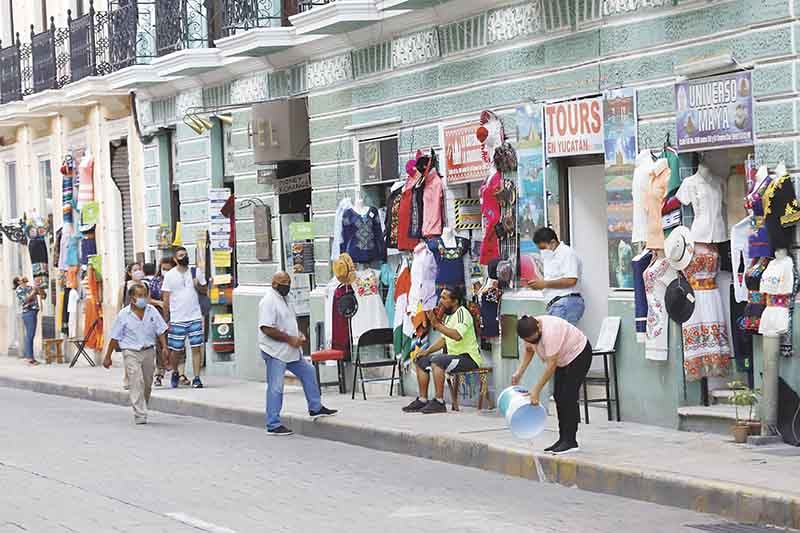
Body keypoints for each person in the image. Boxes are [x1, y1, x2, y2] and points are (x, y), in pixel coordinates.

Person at [259, 272, 337, 436]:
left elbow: (288, 321)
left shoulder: (286, 298)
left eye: (288, 282)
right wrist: (289, 339)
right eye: (283, 282)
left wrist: (298, 334)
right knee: (276, 387)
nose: (287, 285)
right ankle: (273, 423)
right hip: (275, 351)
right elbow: (266, 328)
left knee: (308, 372)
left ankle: (315, 407)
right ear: (274, 283)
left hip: (290, 349)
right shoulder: (268, 300)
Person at [512, 315, 592, 455]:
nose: (533, 342)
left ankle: (571, 441)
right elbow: (529, 351)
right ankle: (563, 439)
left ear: (539, 326)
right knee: (559, 395)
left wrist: (536, 390)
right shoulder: (528, 331)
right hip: (563, 358)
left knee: (568, 396)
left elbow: (551, 366)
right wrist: (519, 372)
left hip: (579, 354)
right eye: (529, 340)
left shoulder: (551, 332)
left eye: (535, 338)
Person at [402, 287, 483, 414]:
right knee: (420, 360)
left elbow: (456, 335)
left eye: (444, 298)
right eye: (441, 297)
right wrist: (426, 351)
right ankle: (423, 400)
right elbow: (443, 340)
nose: (441, 300)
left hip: (468, 359)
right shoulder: (448, 317)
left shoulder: (463, 313)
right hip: (453, 357)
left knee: (438, 361)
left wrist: (437, 325)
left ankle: (439, 401)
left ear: (454, 301)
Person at [103, 283, 169, 425]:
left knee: (147, 383)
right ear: (132, 298)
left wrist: (164, 347)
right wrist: (108, 356)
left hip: (148, 350)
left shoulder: (152, 311)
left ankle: (142, 404)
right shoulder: (123, 315)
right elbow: (115, 337)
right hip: (131, 351)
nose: (143, 299)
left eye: (145, 295)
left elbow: (161, 330)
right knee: (136, 381)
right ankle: (140, 413)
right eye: (140, 296)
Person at [162, 247, 206, 389]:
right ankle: (175, 371)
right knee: (176, 350)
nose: (184, 257)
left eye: (185, 254)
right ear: (175, 259)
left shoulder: (196, 272)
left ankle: (197, 378)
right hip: (177, 318)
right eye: (181, 255)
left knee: (196, 348)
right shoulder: (170, 275)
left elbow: (205, 290)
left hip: (195, 316)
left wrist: (197, 284)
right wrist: (166, 318)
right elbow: (166, 299)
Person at [526, 227, 585, 325]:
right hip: (558, 304)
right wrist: (537, 284)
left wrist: (544, 284)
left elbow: (571, 280)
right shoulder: (551, 256)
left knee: (556, 338)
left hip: (565, 303)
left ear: (553, 242)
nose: (542, 251)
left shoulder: (567, 253)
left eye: (543, 248)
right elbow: (552, 280)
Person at [147, 258, 173, 387]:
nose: (166, 271)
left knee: (175, 344)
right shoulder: (156, 282)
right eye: (164, 268)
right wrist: (160, 303)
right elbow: (148, 298)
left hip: (175, 315)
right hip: (158, 316)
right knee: (160, 345)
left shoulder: (176, 280)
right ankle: (159, 373)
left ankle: (177, 372)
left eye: (168, 268)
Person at [13, 276, 45, 365]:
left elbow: (43, 296)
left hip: (34, 312)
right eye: (20, 278)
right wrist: (34, 291)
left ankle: (31, 357)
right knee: (30, 335)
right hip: (28, 313)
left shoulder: (30, 287)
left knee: (31, 335)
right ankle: (29, 358)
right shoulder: (19, 290)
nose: (23, 278)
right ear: (18, 282)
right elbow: (25, 300)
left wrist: (39, 287)